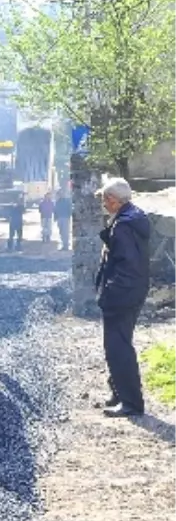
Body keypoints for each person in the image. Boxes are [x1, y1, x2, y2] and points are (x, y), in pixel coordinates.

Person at [94, 178, 151, 417]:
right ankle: (119, 392)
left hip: (123, 294)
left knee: (118, 348)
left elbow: (127, 265)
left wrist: (110, 294)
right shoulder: (131, 217)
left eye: (105, 199)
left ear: (115, 200)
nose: (104, 204)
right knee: (118, 345)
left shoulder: (125, 226)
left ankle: (130, 403)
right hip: (131, 291)